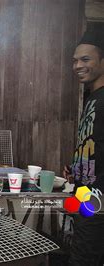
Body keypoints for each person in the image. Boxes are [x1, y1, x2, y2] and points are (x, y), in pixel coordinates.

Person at [63, 30, 104, 266]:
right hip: (84, 194)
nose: (77, 65)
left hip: (96, 199)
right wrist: (77, 167)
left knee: (83, 259)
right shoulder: (92, 99)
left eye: (85, 59)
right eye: (75, 61)